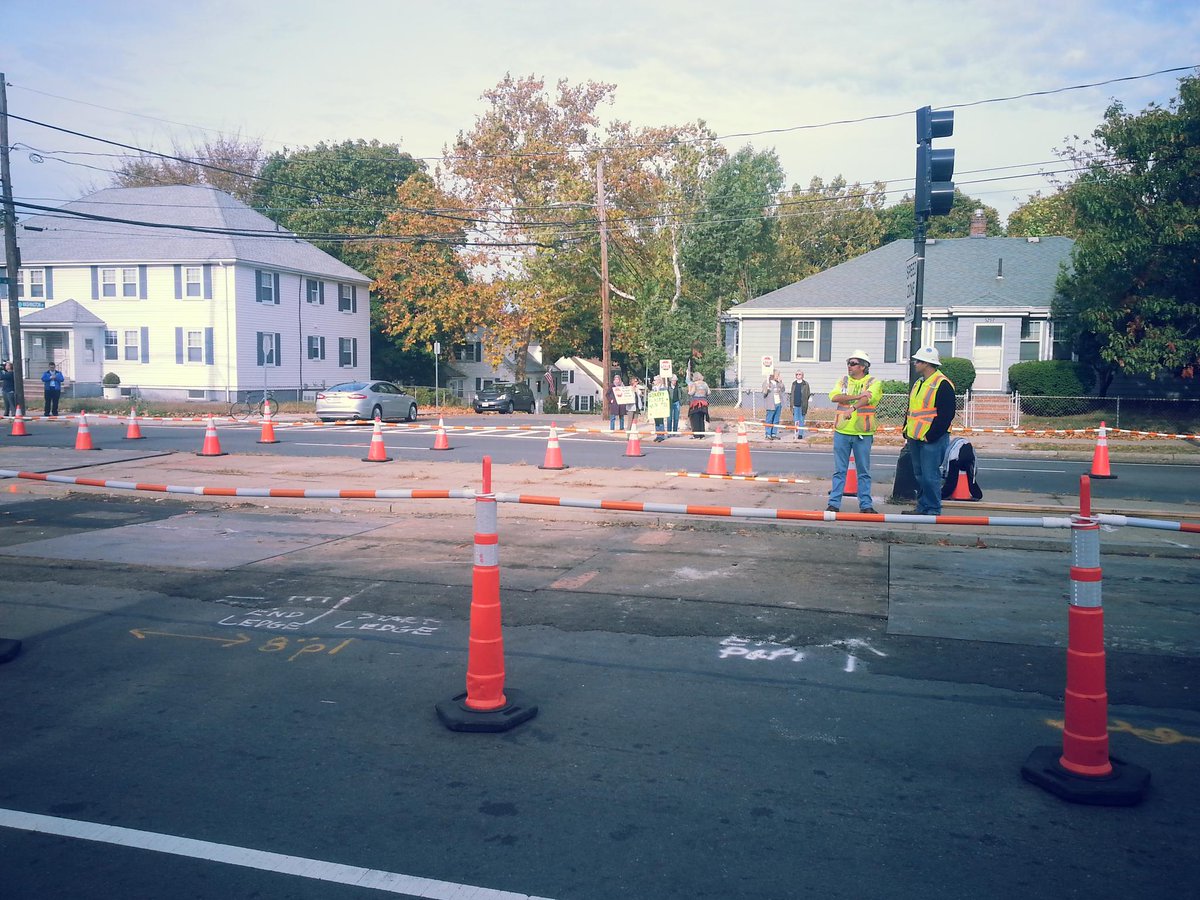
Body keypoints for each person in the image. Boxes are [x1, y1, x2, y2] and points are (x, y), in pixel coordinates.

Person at [826, 350, 882, 514]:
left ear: (863, 366)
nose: (849, 366)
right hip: (842, 431)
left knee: (863, 472)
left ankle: (865, 505)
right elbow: (834, 397)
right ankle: (834, 503)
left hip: (863, 434)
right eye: (848, 363)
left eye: (853, 363)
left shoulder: (873, 382)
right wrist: (858, 397)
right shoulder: (843, 380)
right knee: (839, 471)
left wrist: (853, 405)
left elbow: (869, 398)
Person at [904, 346, 957, 516]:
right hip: (915, 436)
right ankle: (923, 507)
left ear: (928, 364)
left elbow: (946, 415)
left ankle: (933, 509)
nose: (915, 363)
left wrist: (930, 436)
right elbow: (912, 409)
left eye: (918, 361)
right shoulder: (919, 383)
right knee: (920, 475)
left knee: (930, 476)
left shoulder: (942, 384)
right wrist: (906, 429)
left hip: (932, 439)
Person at [762, 369, 785, 440]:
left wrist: (781, 382)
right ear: (773, 375)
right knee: (769, 419)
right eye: (777, 375)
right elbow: (764, 393)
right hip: (771, 404)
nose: (778, 376)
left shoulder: (778, 383)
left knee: (776, 420)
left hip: (778, 403)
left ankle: (774, 433)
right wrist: (767, 388)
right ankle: (768, 434)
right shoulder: (767, 382)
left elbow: (783, 390)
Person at [687, 372, 710, 438]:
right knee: (701, 419)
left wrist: (689, 391)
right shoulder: (705, 384)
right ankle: (702, 434)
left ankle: (696, 435)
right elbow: (709, 392)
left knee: (695, 419)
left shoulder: (694, 384)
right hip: (704, 403)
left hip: (696, 404)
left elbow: (692, 393)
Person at [791, 370, 811, 441]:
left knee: (801, 420)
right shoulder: (793, 384)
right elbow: (792, 395)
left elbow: (808, 393)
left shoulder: (805, 384)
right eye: (797, 374)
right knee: (796, 420)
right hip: (795, 405)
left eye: (800, 374)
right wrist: (792, 404)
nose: (798, 375)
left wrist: (808, 400)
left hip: (802, 405)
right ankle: (796, 433)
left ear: (802, 375)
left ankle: (800, 434)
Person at [650, 375, 668, 442]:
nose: (654, 381)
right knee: (656, 421)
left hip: (661, 407)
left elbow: (664, 395)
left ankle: (661, 435)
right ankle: (658, 435)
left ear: (658, 380)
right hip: (655, 407)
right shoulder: (654, 388)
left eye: (655, 380)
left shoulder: (663, 387)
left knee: (661, 421)